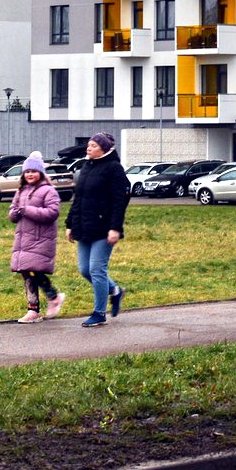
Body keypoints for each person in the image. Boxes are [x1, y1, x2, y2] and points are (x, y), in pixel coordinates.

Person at [66, 131, 130, 327]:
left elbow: (120, 201)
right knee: (85, 270)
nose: (89, 148)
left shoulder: (114, 168)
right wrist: (69, 224)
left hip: (104, 228)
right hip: (84, 226)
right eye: (88, 145)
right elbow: (78, 198)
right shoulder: (86, 166)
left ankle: (99, 313)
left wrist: (115, 228)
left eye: (93, 146)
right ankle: (115, 290)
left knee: (96, 269)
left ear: (104, 149)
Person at [8, 152, 63, 322]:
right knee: (26, 272)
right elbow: (12, 211)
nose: (30, 174)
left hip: (41, 239)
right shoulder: (21, 191)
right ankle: (33, 309)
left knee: (33, 270)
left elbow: (52, 212)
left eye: (33, 171)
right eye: (27, 172)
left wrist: (27, 210)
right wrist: (15, 213)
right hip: (24, 239)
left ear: (40, 173)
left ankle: (53, 297)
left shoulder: (48, 191)